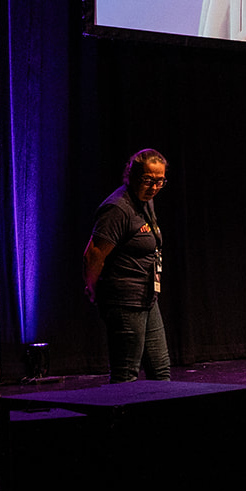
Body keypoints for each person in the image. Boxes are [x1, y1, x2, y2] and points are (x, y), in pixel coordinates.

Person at [82, 148, 172, 383]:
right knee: (126, 375)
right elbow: (93, 254)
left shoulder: (145, 203)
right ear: (131, 176)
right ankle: (118, 420)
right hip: (124, 300)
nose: (153, 188)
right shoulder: (118, 208)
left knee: (161, 372)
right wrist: (93, 289)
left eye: (159, 182)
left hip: (147, 297)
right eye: (147, 180)